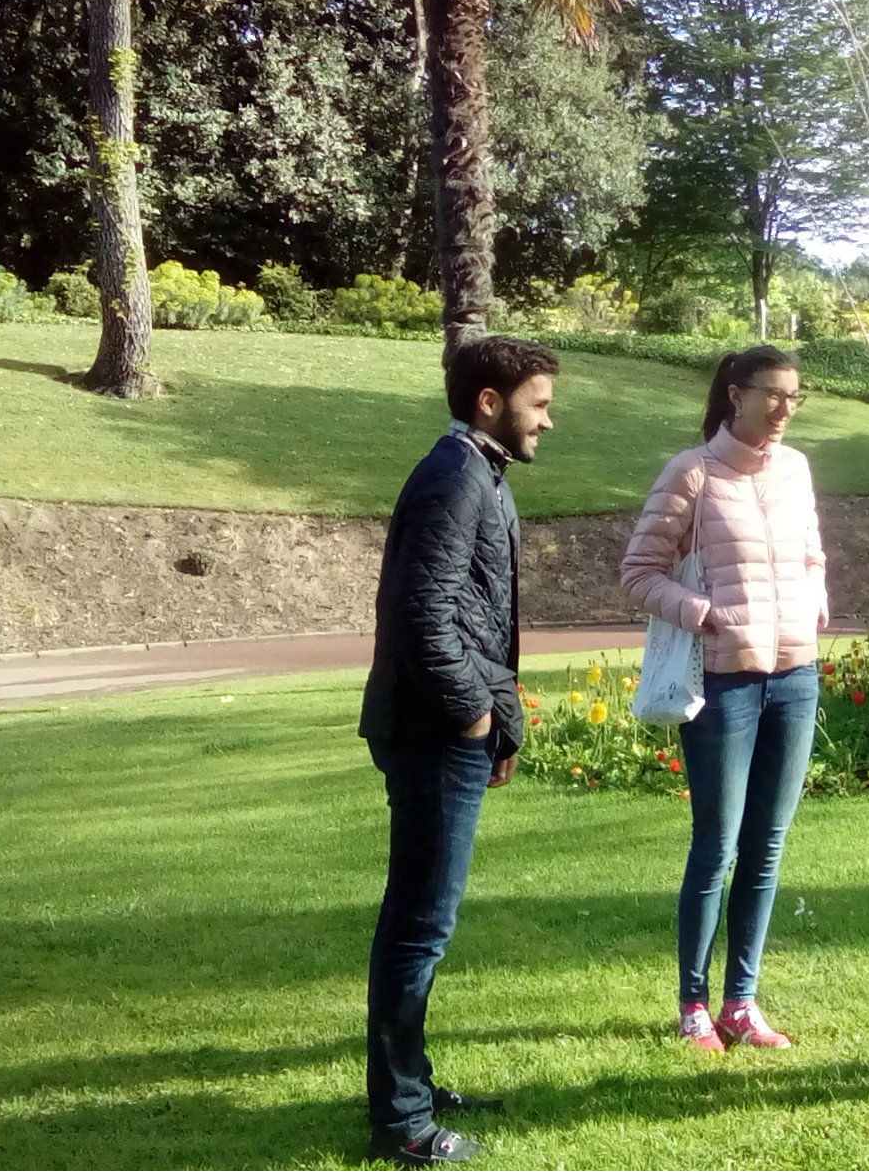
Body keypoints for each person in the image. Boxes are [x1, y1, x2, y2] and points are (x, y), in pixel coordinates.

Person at [359, 336, 557, 1164]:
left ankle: (411, 1082)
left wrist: (499, 722)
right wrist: (476, 715)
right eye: (539, 403)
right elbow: (422, 615)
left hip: (450, 730)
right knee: (419, 927)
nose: (549, 419)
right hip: (434, 732)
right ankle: (404, 1119)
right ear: (489, 400)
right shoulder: (454, 475)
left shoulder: (474, 471)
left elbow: (474, 620)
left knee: (419, 923)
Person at [621, 344, 827, 1053]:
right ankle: (692, 1004)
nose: (784, 409)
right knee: (717, 843)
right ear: (735, 393)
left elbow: (810, 553)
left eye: (795, 397)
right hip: (724, 679)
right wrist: (703, 613)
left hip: (796, 675)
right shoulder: (694, 473)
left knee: (766, 846)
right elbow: (639, 572)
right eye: (773, 394)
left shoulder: (796, 471)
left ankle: (742, 1000)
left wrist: (817, 601)